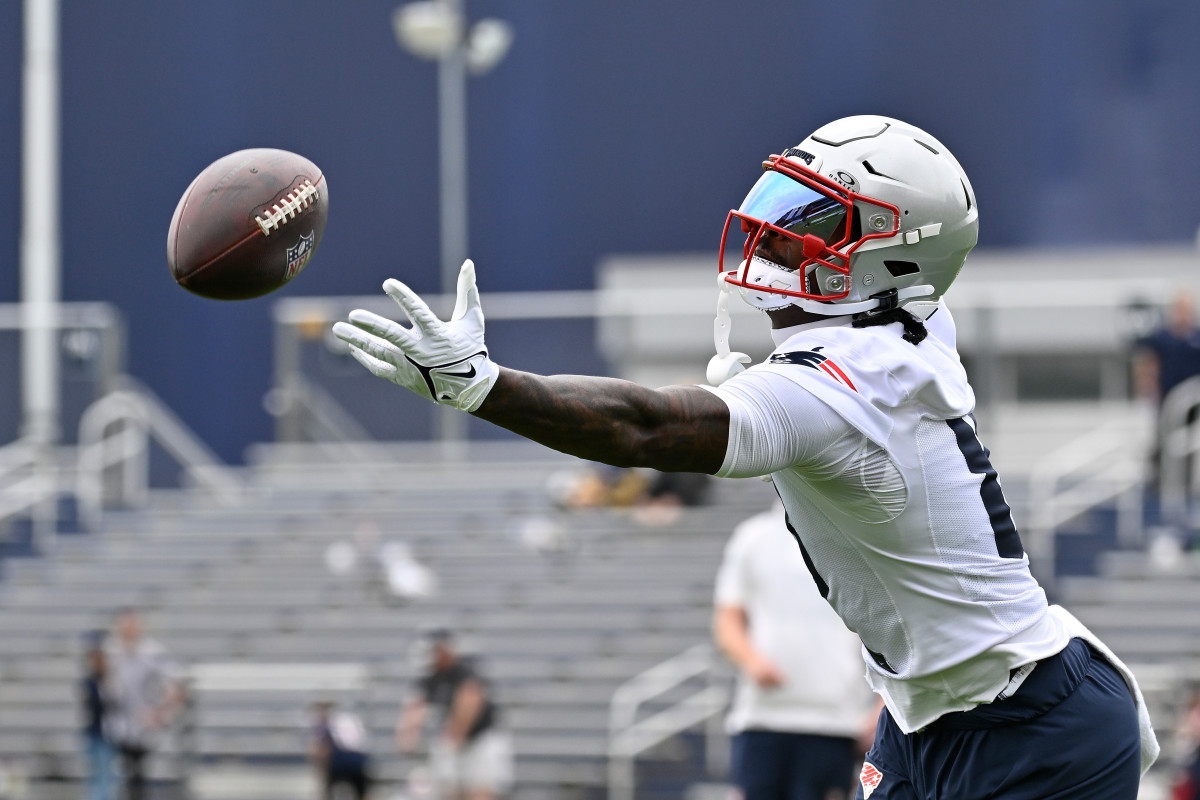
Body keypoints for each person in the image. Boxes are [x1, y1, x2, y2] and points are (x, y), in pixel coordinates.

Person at [335, 115, 1160, 799]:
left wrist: (485, 388)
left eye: (817, 218)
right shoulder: (898, 326)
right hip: (932, 715)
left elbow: (647, 430)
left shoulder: (846, 384)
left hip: (1033, 730)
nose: (782, 231)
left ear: (890, 255)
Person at [714, 502, 881, 800]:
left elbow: (888, 629)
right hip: (762, 717)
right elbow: (728, 619)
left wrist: (882, 706)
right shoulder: (753, 536)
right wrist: (753, 662)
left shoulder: (857, 538)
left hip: (836, 722)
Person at [395, 630, 511, 800]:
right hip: (452, 741)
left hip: (480, 739)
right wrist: (407, 739)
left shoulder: (463, 669)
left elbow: (469, 700)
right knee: (447, 790)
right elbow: (414, 709)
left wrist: (454, 737)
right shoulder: (429, 677)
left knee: (480, 789)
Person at [105, 608, 184, 800]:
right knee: (117, 779)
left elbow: (175, 685)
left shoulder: (152, 652)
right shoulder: (111, 651)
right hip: (116, 726)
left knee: (141, 779)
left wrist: (160, 713)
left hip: (143, 726)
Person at [308, 701, 372, 800]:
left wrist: (321, 770)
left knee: (327, 793)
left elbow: (322, 751)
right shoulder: (350, 720)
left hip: (339, 763)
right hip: (358, 762)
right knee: (363, 793)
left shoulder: (327, 725)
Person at [81, 630, 116, 800]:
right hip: (97, 735)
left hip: (108, 735)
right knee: (99, 778)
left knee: (108, 779)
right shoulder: (91, 682)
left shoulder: (109, 679)